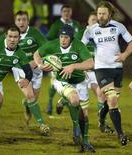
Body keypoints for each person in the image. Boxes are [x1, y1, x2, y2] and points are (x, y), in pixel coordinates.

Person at [82, 1, 132, 146]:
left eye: (103, 13)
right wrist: (86, 63)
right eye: (99, 13)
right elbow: (81, 46)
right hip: (101, 69)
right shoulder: (91, 30)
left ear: (110, 14)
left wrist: (125, 55)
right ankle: (121, 135)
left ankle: (101, 117)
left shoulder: (118, 27)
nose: (100, 16)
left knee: (110, 101)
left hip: (117, 69)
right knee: (113, 100)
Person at [34, 24, 95, 152]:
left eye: (66, 37)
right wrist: (40, 65)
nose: (63, 40)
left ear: (71, 38)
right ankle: (77, 131)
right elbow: (37, 54)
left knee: (84, 115)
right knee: (74, 99)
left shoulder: (78, 45)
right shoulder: (52, 45)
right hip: (61, 80)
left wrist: (73, 66)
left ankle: (85, 141)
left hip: (80, 81)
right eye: (61, 37)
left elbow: (91, 63)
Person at [0, 11, 49, 135]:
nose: (21, 22)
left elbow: (46, 49)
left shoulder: (35, 33)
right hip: (20, 70)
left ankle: (26, 104)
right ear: (15, 21)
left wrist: (35, 63)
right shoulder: (10, 35)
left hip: (36, 70)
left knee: (33, 99)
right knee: (30, 96)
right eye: (19, 20)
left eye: (24, 19)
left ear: (28, 21)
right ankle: (42, 124)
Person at [76, 11, 114, 134]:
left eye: (96, 20)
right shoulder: (80, 35)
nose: (95, 22)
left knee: (102, 94)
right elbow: (75, 51)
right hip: (82, 72)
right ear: (87, 21)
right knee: (77, 100)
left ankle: (102, 122)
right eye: (92, 20)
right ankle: (79, 127)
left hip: (95, 72)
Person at [46, 4, 84, 115]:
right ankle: (50, 102)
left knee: (75, 83)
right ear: (61, 13)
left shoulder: (76, 24)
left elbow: (80, 40)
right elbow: (48, 39)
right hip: (59, 59)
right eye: (64, 11)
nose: (67, 13)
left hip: (73, 59)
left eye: (68, 11)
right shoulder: (56, 25)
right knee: (54, 82)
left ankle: (63, 101)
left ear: (71, 12)